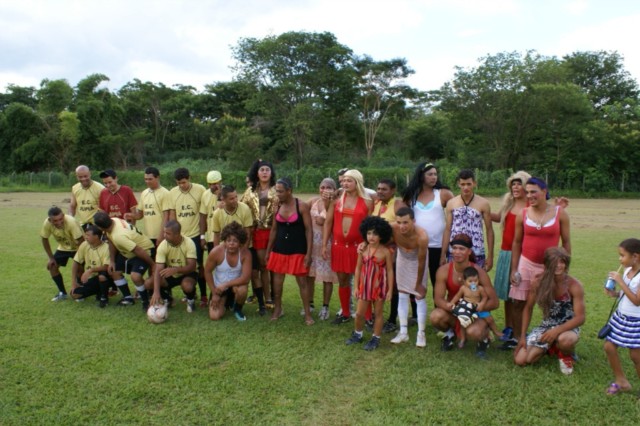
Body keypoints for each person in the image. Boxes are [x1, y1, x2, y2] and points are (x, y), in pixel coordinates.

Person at [510, 177, 571, 346]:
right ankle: (517, 338)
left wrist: (564, 268)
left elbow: (566, 242)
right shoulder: (523, 214)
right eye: (527, 192)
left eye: (533, 192)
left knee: (551, 303)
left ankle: (554, 338)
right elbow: (516, 242)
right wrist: (514, 268)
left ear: (544, 191)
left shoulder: (560, 213)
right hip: (526, 264)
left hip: (550, 267)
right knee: (518, 302)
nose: (529, 195)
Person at [514, 247, 585, 375]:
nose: (559, 266)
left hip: (568, 326)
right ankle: (552, 347)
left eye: (562, 262)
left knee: (565, 340)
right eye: (554, 262)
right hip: (547, 326)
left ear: (566, 263)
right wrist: (523, 336)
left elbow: (580, 318)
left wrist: (556, 331)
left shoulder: (574, 285)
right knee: (522, 360)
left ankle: (566, 354)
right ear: (547, 264)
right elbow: (528, 308)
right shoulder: (538, 282)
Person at [430, 234, 498, 358]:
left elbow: (494, 302)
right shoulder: (444, 270)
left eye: (461, 249)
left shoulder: (479, 272)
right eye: (454, 248)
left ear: (469, 251)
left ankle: (484, 338)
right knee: (436, 316)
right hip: (455, 311)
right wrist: (454, 308)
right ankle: (450, 335)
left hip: (473, 314)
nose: (457, 252)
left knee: (474, 332)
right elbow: (438, 299)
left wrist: (471, 309)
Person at [323, 169, 374, 324]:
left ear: (357, 182)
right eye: (343, 180)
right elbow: (328, 223)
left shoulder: (367, 201)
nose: (345, 183)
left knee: (362, 282)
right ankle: (345, 313)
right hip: (338, 247)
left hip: (358, 248)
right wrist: (325, 244)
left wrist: (367, 243)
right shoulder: (336, 200)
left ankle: (368, 316)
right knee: (343, 280)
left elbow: (371, 226)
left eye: (349, 180)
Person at [490, 170, 531, 348]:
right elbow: (499, 218)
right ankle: (508, 327)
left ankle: (519, 331)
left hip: (523, 255)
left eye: (519, 183)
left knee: (518, 296)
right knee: (507, 294)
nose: (515, 187)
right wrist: (481, 210)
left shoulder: (531, 205)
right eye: (513, 184)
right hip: (506, 253)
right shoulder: (509, 202)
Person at [265, 178, 313, 324]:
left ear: (289, 191)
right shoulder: (276, 205)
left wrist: (308, 253)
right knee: (277, 283)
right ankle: (278, 309)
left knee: (302, 283)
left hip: (298, 250)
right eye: (276, 191)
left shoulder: (302, 206)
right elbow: (274, 230)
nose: (277, 194)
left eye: (280, 191)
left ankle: (307, 314)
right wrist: (268, 251)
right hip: (279, 249)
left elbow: (308, 230)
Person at [402, 162, 454, 289]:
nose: (434, 177)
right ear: (421, 176)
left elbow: (457, 213)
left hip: (438, 246)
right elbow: (403, 217)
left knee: (438, 282)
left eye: (435, 174)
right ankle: (417, 309)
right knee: (416, 281)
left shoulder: (443, 193)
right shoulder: (411, 195)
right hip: (417, 245)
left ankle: (439, 309)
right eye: (430, 174)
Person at [345, 216, 394, 351]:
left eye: (375, 234)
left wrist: (389, 290)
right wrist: (356, 286)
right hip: (364, 286)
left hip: (379, 287)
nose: (371, 236)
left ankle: (376, 338)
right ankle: (358, 333)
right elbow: (358, 268)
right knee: (360, 313)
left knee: (378, 313)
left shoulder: (385, 252)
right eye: (369, 233)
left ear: (382, 235)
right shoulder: (363, 249)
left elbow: (389, 270)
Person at [164, 168, 208, 307]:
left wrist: (202, 235)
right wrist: (173, 235)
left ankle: (204, 296)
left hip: (195, 235)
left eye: (183, 182)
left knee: (199, 266)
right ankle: (189, 293)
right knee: (181, 265)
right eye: (179, 183)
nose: (181, 185)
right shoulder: (172, 193)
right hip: (180, 238)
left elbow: (203, 214)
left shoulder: (200, 189)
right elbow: (172, 214)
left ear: (189, 178)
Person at [93, 211, 155, 310]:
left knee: (136, 276)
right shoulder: (113, 221)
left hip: (145, 250)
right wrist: (112, 261)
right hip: (128, 250)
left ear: (100, 227)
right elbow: (111, 241)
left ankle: (145, 301)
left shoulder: (119, 236)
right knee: (114, 272)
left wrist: (153, 265)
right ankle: (128, 298)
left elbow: (138, 250)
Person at [603, 238, 640, 394]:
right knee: (609, 346)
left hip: (635, 320)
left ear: (635, 257)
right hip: (620, 316)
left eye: (622, 255)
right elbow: (626, 294)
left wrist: (620, 282)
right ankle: (621, 381)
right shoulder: (627, 271)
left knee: (636, 356)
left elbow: (637, 301)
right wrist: (615, 293)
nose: (620, 259)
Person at [389, 207, 429, 348]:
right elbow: (376, 235)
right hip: (402, 259)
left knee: (419, 295)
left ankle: (421, 333)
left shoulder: (422, 236)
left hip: (418, 261)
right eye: (399, 222)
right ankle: (403, 332)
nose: (402, 226)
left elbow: (422, 262)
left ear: (414, 221)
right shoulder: (393, 228)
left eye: (405, 222)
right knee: (402, 294)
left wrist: (418, 283)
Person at [241, 159, 278, 314]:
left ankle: (276, 297)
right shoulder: (250, 191)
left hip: (275, 231)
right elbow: (242, 207)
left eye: (267, 170)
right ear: (257, 173)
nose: (264, 172)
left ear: (271, 173)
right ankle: (267, 297)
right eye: (261, 170)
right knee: (263, 266)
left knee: (275, 267)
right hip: (258, 232)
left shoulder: (278, 189)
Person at [441, 169, 494, 271]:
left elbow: (489, 230)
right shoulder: (451, 203)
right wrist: (443, 254)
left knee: (475, 283)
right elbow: (447, 230)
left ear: (474, 183)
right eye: (463, 184)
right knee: (455, 282)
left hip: (476, 252)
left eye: (469, 184)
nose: (466, 187)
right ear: (459, 184)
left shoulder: (483, 203)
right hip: (455, 251)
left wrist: (490, 256)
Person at [205, 222, 252, 321]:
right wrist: (214, 293)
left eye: (235, 241)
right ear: (224, 241)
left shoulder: (245, 254)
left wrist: (226, 284)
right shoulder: (216, 252)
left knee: (242, 290)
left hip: (235, 286)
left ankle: (237, 309)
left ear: (240, 242)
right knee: (215, 316)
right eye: (228, 240)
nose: (231, 243)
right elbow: (207, 272)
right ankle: (226, 303)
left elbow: (246, 278)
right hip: (219, 288)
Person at [306, 178, 339, 321]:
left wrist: (325, 220)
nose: (324, 190)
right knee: (310, 276)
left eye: (328, 187)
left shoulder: (337, 204)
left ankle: (325, 306)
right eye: (322, 187)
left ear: (334, 190)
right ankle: (310, 303)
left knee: (327, 278)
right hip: (312, 245)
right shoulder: (313, 202)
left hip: (327, 245)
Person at [449, 266, 502, 348]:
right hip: (467, 309)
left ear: (478, 280)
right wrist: (452, 302)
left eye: (476, 281)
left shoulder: (480, 289)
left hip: (478, 308)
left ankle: (495, 331)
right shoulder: (463, 288)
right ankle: (463, 339)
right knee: (463, 323)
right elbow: (457, 296)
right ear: (464, 281)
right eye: (470, 281)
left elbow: (485, 297)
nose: (473, 283)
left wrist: (482, 304)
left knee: (489, 318)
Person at [151, 220, 198, 312]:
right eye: (164, 232)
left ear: (177, 234)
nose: (164, 235)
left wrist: (176, 270)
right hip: (170, 274)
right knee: (149, 283)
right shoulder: (162, 245)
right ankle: (168, 299)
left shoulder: (189, 243)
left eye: (168, 233)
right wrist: (156, 292)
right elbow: (158, 269)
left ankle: (191, 300)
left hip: (187, 273)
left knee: (187, 286)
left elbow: (192, 266)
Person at [40, 206, 84, 301]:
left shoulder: (71, 222)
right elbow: (44, 239)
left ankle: (79, 293)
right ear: (50, 220)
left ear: (63, 216)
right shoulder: (47, 223)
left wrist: (79, 259)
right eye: (55, 221)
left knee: (80, 269)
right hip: (63, 248)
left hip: (78, 247)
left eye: (61, 219)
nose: (59, 222)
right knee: (52, 266)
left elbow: (81, 241)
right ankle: (62, 293)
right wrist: (51, 258)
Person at [69, 224, 112, 307]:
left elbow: (106, 267)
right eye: (85, 234)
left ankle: (104, 298)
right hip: (90, 278)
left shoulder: (106, 247)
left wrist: (90, 270)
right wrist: (74, 282)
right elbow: (76, 262)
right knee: (74, 294)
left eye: (88, 235)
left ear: (96, 236)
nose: (85, 237)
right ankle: (98, 291)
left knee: (102, 276)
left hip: (105, 276)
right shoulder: (84, 244)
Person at [128, 167, 169, 250]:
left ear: (157, 177)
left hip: (161, 235)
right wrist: (130, 215)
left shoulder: (165, 193)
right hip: (148, 236)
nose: (147, 181)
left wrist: (161, 235)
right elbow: (140, 216)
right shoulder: (144, 193)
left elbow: (166, 217)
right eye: (145, 179)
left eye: (150, 179)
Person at [200, 170, 223, 253]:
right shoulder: (205, 195)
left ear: (221, 182)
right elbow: (203, 216)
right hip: (211, 236)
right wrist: (202, 237)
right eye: (212, 184)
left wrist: (219, 196)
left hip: (226, 236)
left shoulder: (227, 193)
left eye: (217, 183)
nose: (215, 186)